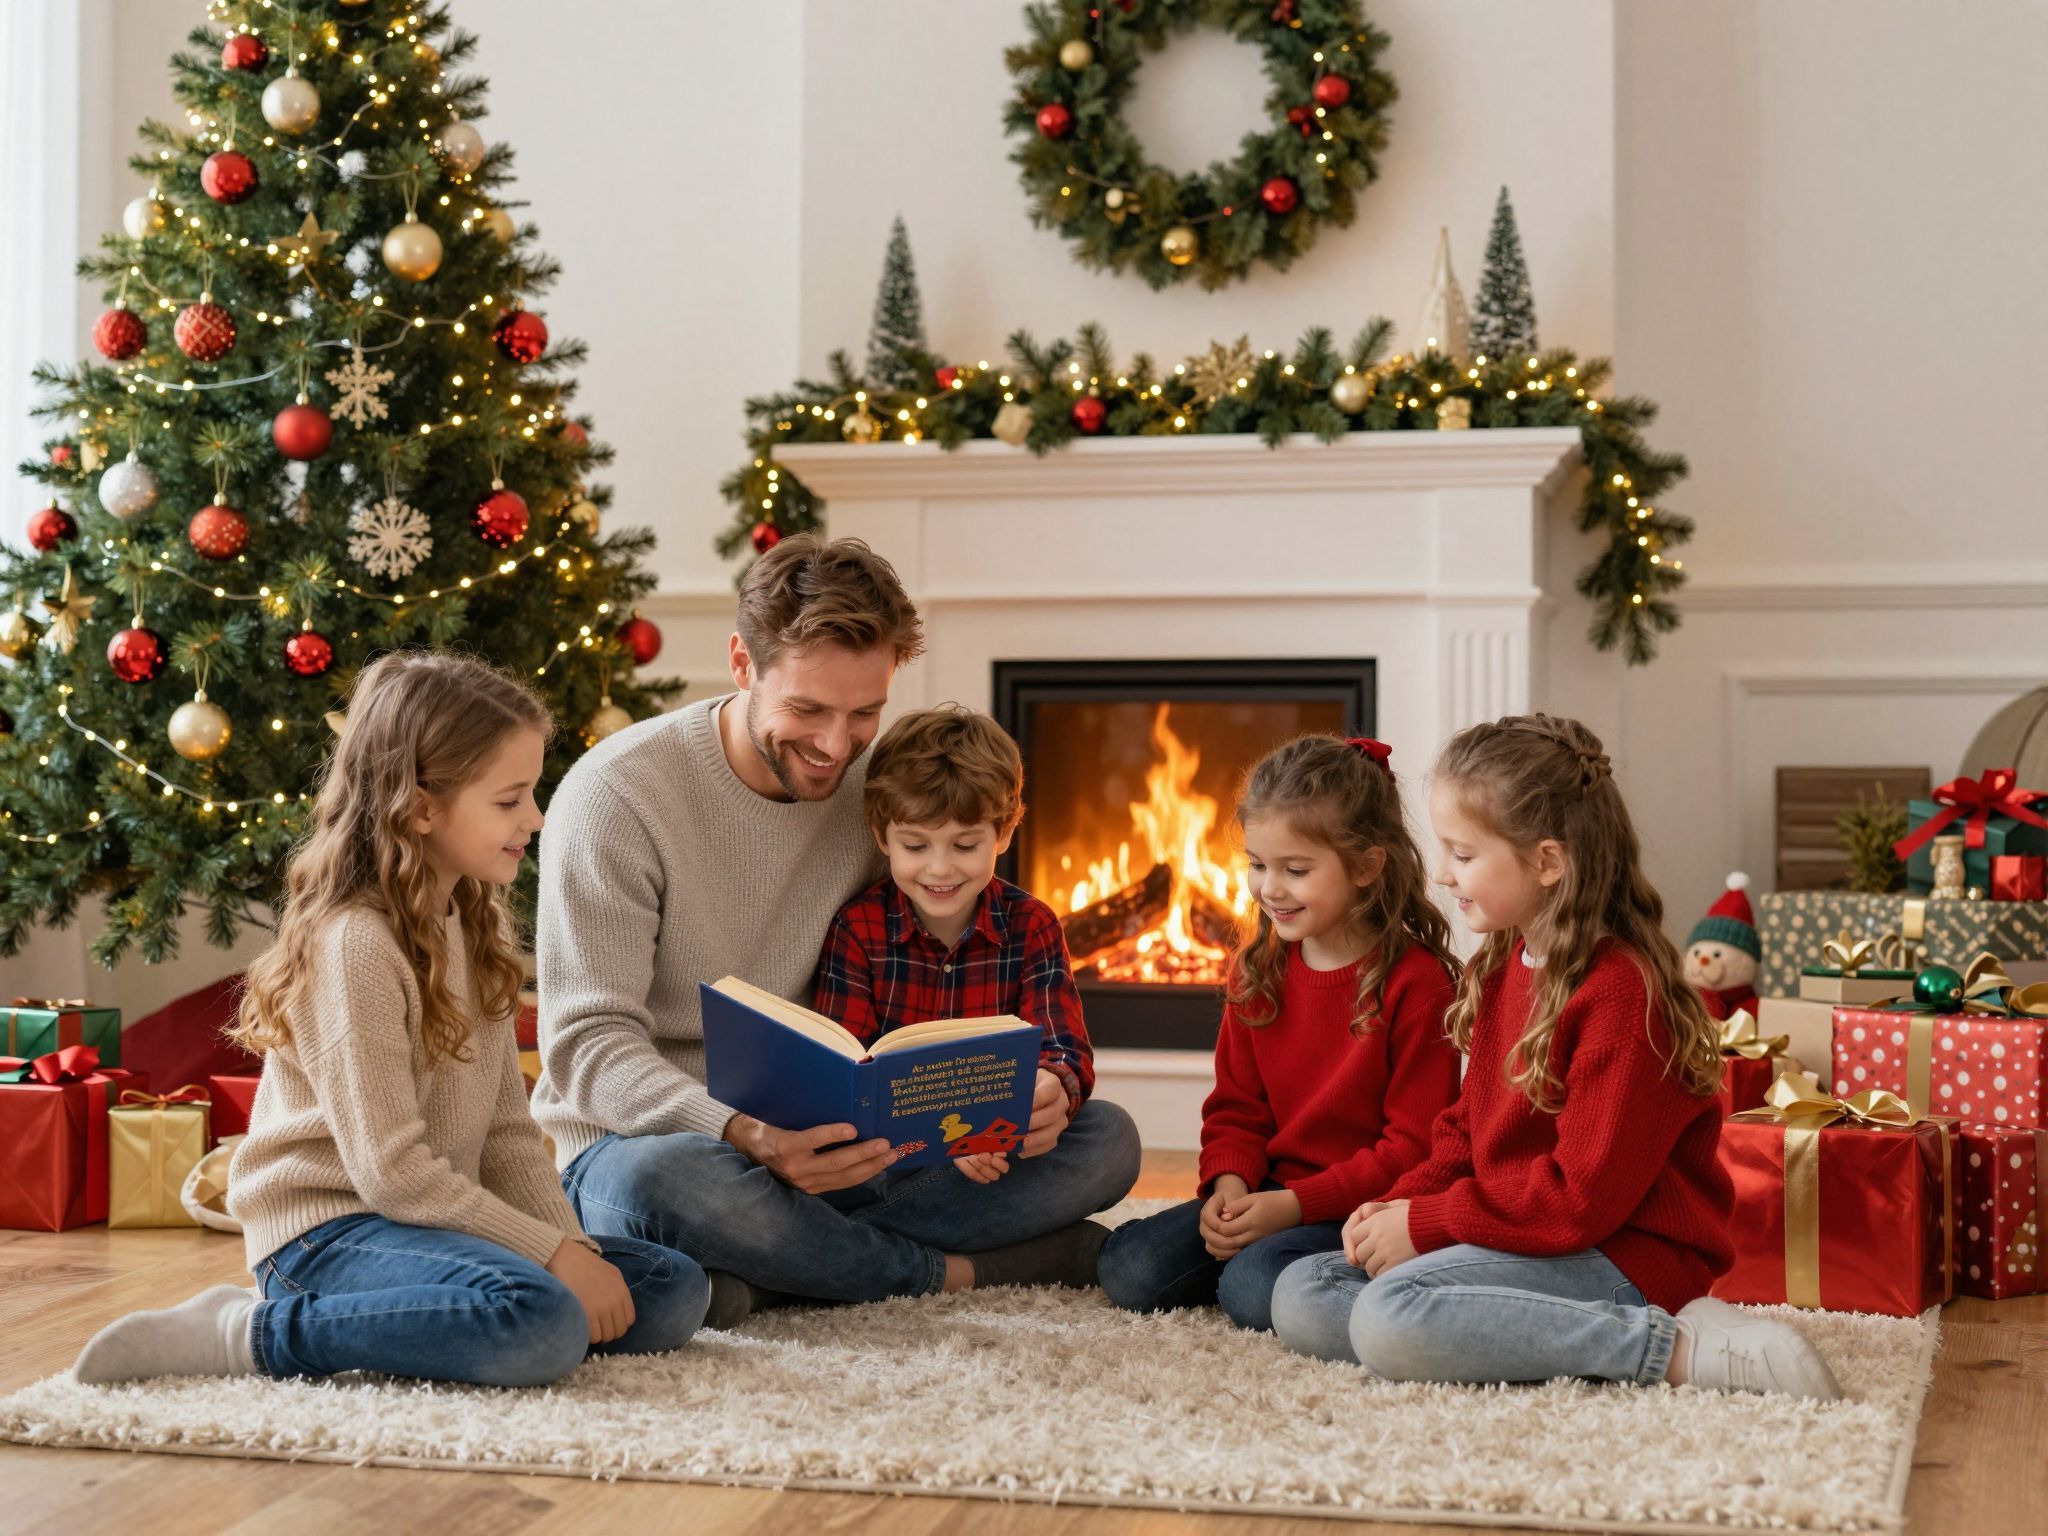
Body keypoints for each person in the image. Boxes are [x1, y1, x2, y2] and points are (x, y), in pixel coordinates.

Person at [540, 537, 1139, 1324]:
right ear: (742, 663)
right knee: (666, 1188)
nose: (834, 747)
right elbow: (586, 1049)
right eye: (807, 710)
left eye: (864, 714)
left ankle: (778, 1275)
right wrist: (744, 1133)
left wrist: (1030, 1098)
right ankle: (954, 1272)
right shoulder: (618, 797)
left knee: (1104, 1139)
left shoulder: (878, 789)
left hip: (838, 1151)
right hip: (663, 1141)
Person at [74, 652, 707, 1388]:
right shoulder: (355, 945)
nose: (535, 819)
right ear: (420, 808)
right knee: (539, 1320)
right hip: (326, 1236)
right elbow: (393, 1174)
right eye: (510, 800)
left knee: (670, 1287)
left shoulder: (471, 925)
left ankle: (473, 1312)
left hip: (429, 1220)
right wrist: (551, 1260)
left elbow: (507, 1134)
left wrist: (572, 1248)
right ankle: (250, 1331)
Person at [1268, 714, 1840, 1399]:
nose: (1442, 874)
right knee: (1303, 1292)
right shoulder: (1503, 962)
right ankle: (1508, 1326)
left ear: (1546, 861)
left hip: (1622, 1255)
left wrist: (1431, 1223)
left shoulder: (1623, 993)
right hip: (1524, 1234)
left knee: (1390, 1318)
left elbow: (1580, 1201)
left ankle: (1677, 1347)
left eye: (1462, 854)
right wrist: (1400, 1203)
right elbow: (1465, 1133)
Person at [1097, 735, 1460, 1331]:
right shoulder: (1257, 970)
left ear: (1367, 866)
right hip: (1268, 1189)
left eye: (1296, 870)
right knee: (1130, 1268)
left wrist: (1293, 1207)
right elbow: (1236, 1107)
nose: (1270, 889)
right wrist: (1228, 1186)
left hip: (1358, 1206)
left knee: (1251, 1286)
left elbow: (1413, 1149)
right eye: (1258, 865)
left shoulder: (1416, 984)